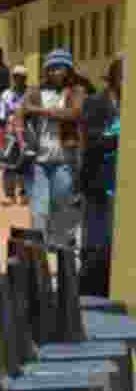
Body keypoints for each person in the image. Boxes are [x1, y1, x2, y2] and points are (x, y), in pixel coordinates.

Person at [21, 48, 85, 246]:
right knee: (39, 212)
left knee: (60, 209)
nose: (55, 72)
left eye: (60, 68)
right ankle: (39, 254)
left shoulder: (76, 91)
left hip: (64, 160)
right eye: (51, 68)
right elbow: (22, 111)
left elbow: (74, 113)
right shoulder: (35, 91)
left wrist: (41, 111)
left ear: (68, 69)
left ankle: (57, 250)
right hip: (38, 161)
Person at [78, 53, 123, 296]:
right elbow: (91, 140)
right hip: (99, 183)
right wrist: (120, 137)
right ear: (114, 76)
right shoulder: (95, 103)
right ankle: (89, 292)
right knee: (96, 242)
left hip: (123, 185)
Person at [0, 64, 31, 206]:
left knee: (25, 164)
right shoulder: (6, 95)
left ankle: (24, 193)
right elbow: (0, 119)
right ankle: (10, 195)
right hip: (10, 134)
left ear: (25, 78)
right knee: (8, 165)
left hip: (27, 133)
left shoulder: (30, 94)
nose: (19, 80)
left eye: (22, 77)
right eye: (16, 77)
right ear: (13, 78)